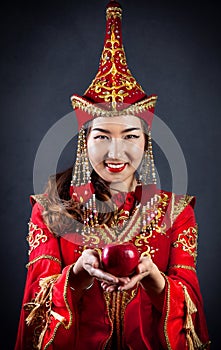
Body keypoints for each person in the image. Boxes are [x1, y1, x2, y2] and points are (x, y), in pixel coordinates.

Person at [15, 1, 210, 349]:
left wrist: (154, 281)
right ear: (84, 142)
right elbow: (36, 310)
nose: (116, 153)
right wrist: (75, 276)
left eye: (130, 137)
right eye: (102, 136)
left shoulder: (176, 213)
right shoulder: (49, 210)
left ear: (146, 144)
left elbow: (191, 313)